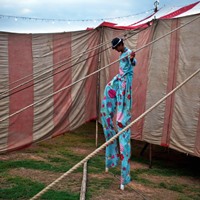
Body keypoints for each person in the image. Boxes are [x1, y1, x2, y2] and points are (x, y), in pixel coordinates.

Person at [100, 37, 136, 190]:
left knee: (121, 122)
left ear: (121, 45)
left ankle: (124, 175)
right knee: (108, 90)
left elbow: (133, 62)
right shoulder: (122, 54)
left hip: (125, 86)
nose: (116, 50)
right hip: (118, 81)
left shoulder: (128, 53)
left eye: (116, 48)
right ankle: (111, 157)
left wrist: (132, 59)